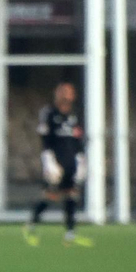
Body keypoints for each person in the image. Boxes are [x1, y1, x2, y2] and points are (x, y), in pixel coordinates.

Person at [25, 81, 92, 248]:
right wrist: (49, 161)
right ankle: (31, 226)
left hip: (71, 161)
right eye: (62, 92)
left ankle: (70, 234)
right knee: (51, 195)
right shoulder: (49, 113)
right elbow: (45, 139)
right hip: (56, 161)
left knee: (71, 195)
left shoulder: (74, 116)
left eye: (69, 92)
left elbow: (78, 140)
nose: (66, 95)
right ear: (57, 94)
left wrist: (81, 160)